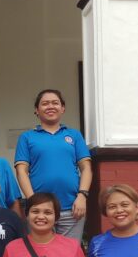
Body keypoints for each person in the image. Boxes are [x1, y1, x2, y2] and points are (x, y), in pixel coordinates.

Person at [14, 89, 92, 241]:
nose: (50, 106)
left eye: (55, 103)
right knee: (40, 252)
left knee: (69, 252)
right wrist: (33, 202)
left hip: (72, 208)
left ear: (62, 108)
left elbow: (86, 168)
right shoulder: (27, 137)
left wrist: (82, 196)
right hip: (40, 211)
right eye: (45, 103)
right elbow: (21, 171)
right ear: (37, 110)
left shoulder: (74, 135)